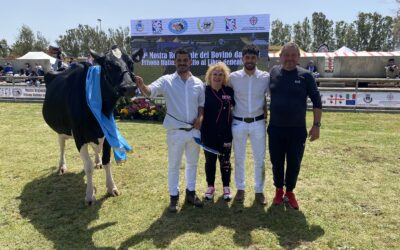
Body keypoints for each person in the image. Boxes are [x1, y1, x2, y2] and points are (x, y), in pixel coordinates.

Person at [134, 48, 205, 213]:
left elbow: (201, 104)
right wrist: (142, 85)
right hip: (175, 132)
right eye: (179, 60)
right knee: (174, 165)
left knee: (192, 164)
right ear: (175, 62)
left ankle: (191, 194)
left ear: (190, 62)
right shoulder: (166, 81)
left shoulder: (198, 83)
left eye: (185, 60)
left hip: (194, 132)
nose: (182, 63)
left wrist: (200, 118)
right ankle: (174, 197)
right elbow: (150, 92)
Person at [268, 42, 322, 210]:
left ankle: (289, 192)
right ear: (280, 56)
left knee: (294, 162)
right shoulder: (273, 73)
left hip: (297, 130)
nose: (289, 58)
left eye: (293, 55)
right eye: (286, 55)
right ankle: (278, 190)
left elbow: (317, 101)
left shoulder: (306, 76)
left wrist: (316, 125)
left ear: (298, 57)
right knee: (276, 162)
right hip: (275, 128)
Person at [229, 44, 270, 205]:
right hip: (238, 123)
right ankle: (240, 189)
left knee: (260, 159)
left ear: (257, 59)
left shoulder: (265, 77)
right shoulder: (233, 77)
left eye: (253, 57)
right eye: (247, 57)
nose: (250, 60)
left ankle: (259, 191)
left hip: (258, 123)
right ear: (242, 58)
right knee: (239, 158)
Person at [201, 62, 235, 201]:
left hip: (226, 133)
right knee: (210, 161)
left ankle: (226, 187)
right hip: (208, 133)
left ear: (225, 77)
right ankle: (210, 186)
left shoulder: (229, 91)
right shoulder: (204, 91)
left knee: (225, 161)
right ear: (210, 76)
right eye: (215, 74)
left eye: (221, 74)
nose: (217, 77)